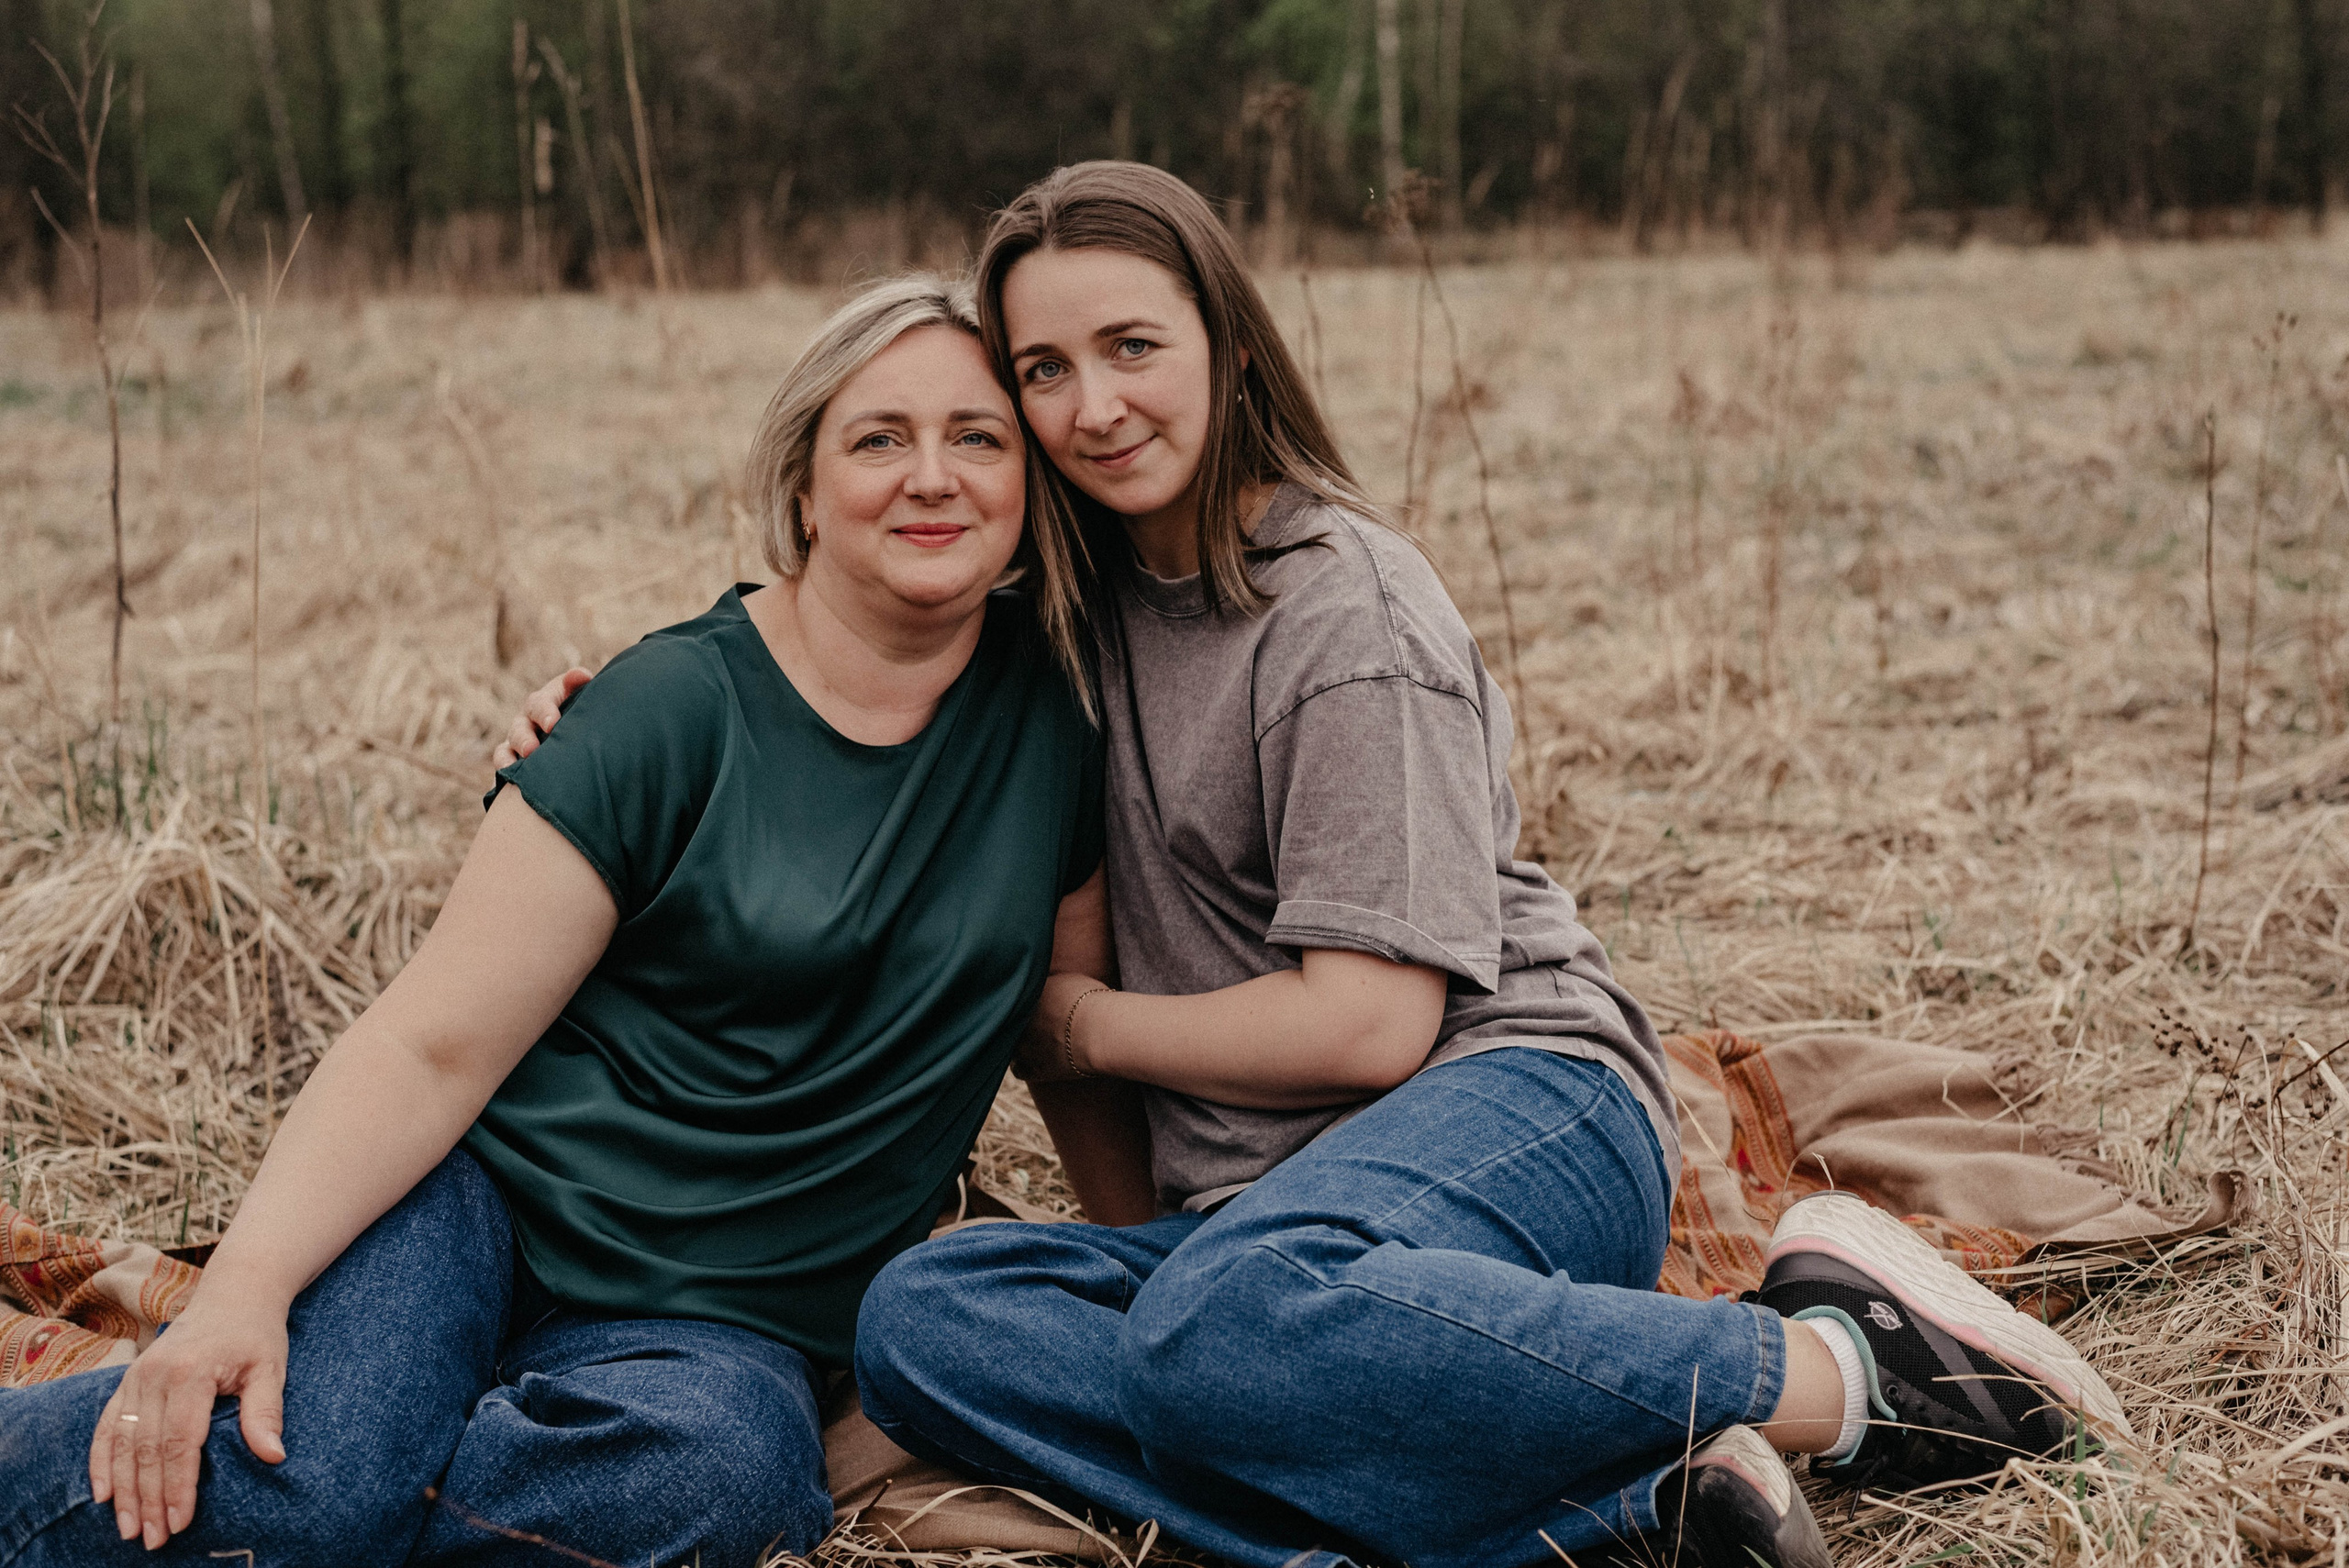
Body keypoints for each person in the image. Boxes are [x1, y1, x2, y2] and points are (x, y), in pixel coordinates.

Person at [494, 165, 2132, 1568]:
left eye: (1134, 347)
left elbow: (1370, 1026)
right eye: (1045, 368)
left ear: (1226, 340)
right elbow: (828, 642)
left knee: (1224, 1321)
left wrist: (1078, 1026)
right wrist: (602, 720)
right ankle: (1631, 1511)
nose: (1094, 405)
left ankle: (1844, 1365)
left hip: (1516, 1105)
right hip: (1266, 1224)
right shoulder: (1063, 614)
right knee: (926, 1323)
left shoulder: (1344, 609)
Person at [0, 274, 1108, 1568]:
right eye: (879, 438)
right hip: (488, 1209)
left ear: (1029, 483)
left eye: (977, 437)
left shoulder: (1064, 717)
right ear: (804, 490)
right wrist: (240, 1290)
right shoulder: (666, 709)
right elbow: (430, 1045)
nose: (932, 475)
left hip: (719, 1323)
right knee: (313, 1478)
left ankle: (375, 1473)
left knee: (726, 1483)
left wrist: (1148, 1265)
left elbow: (1065, 1036)